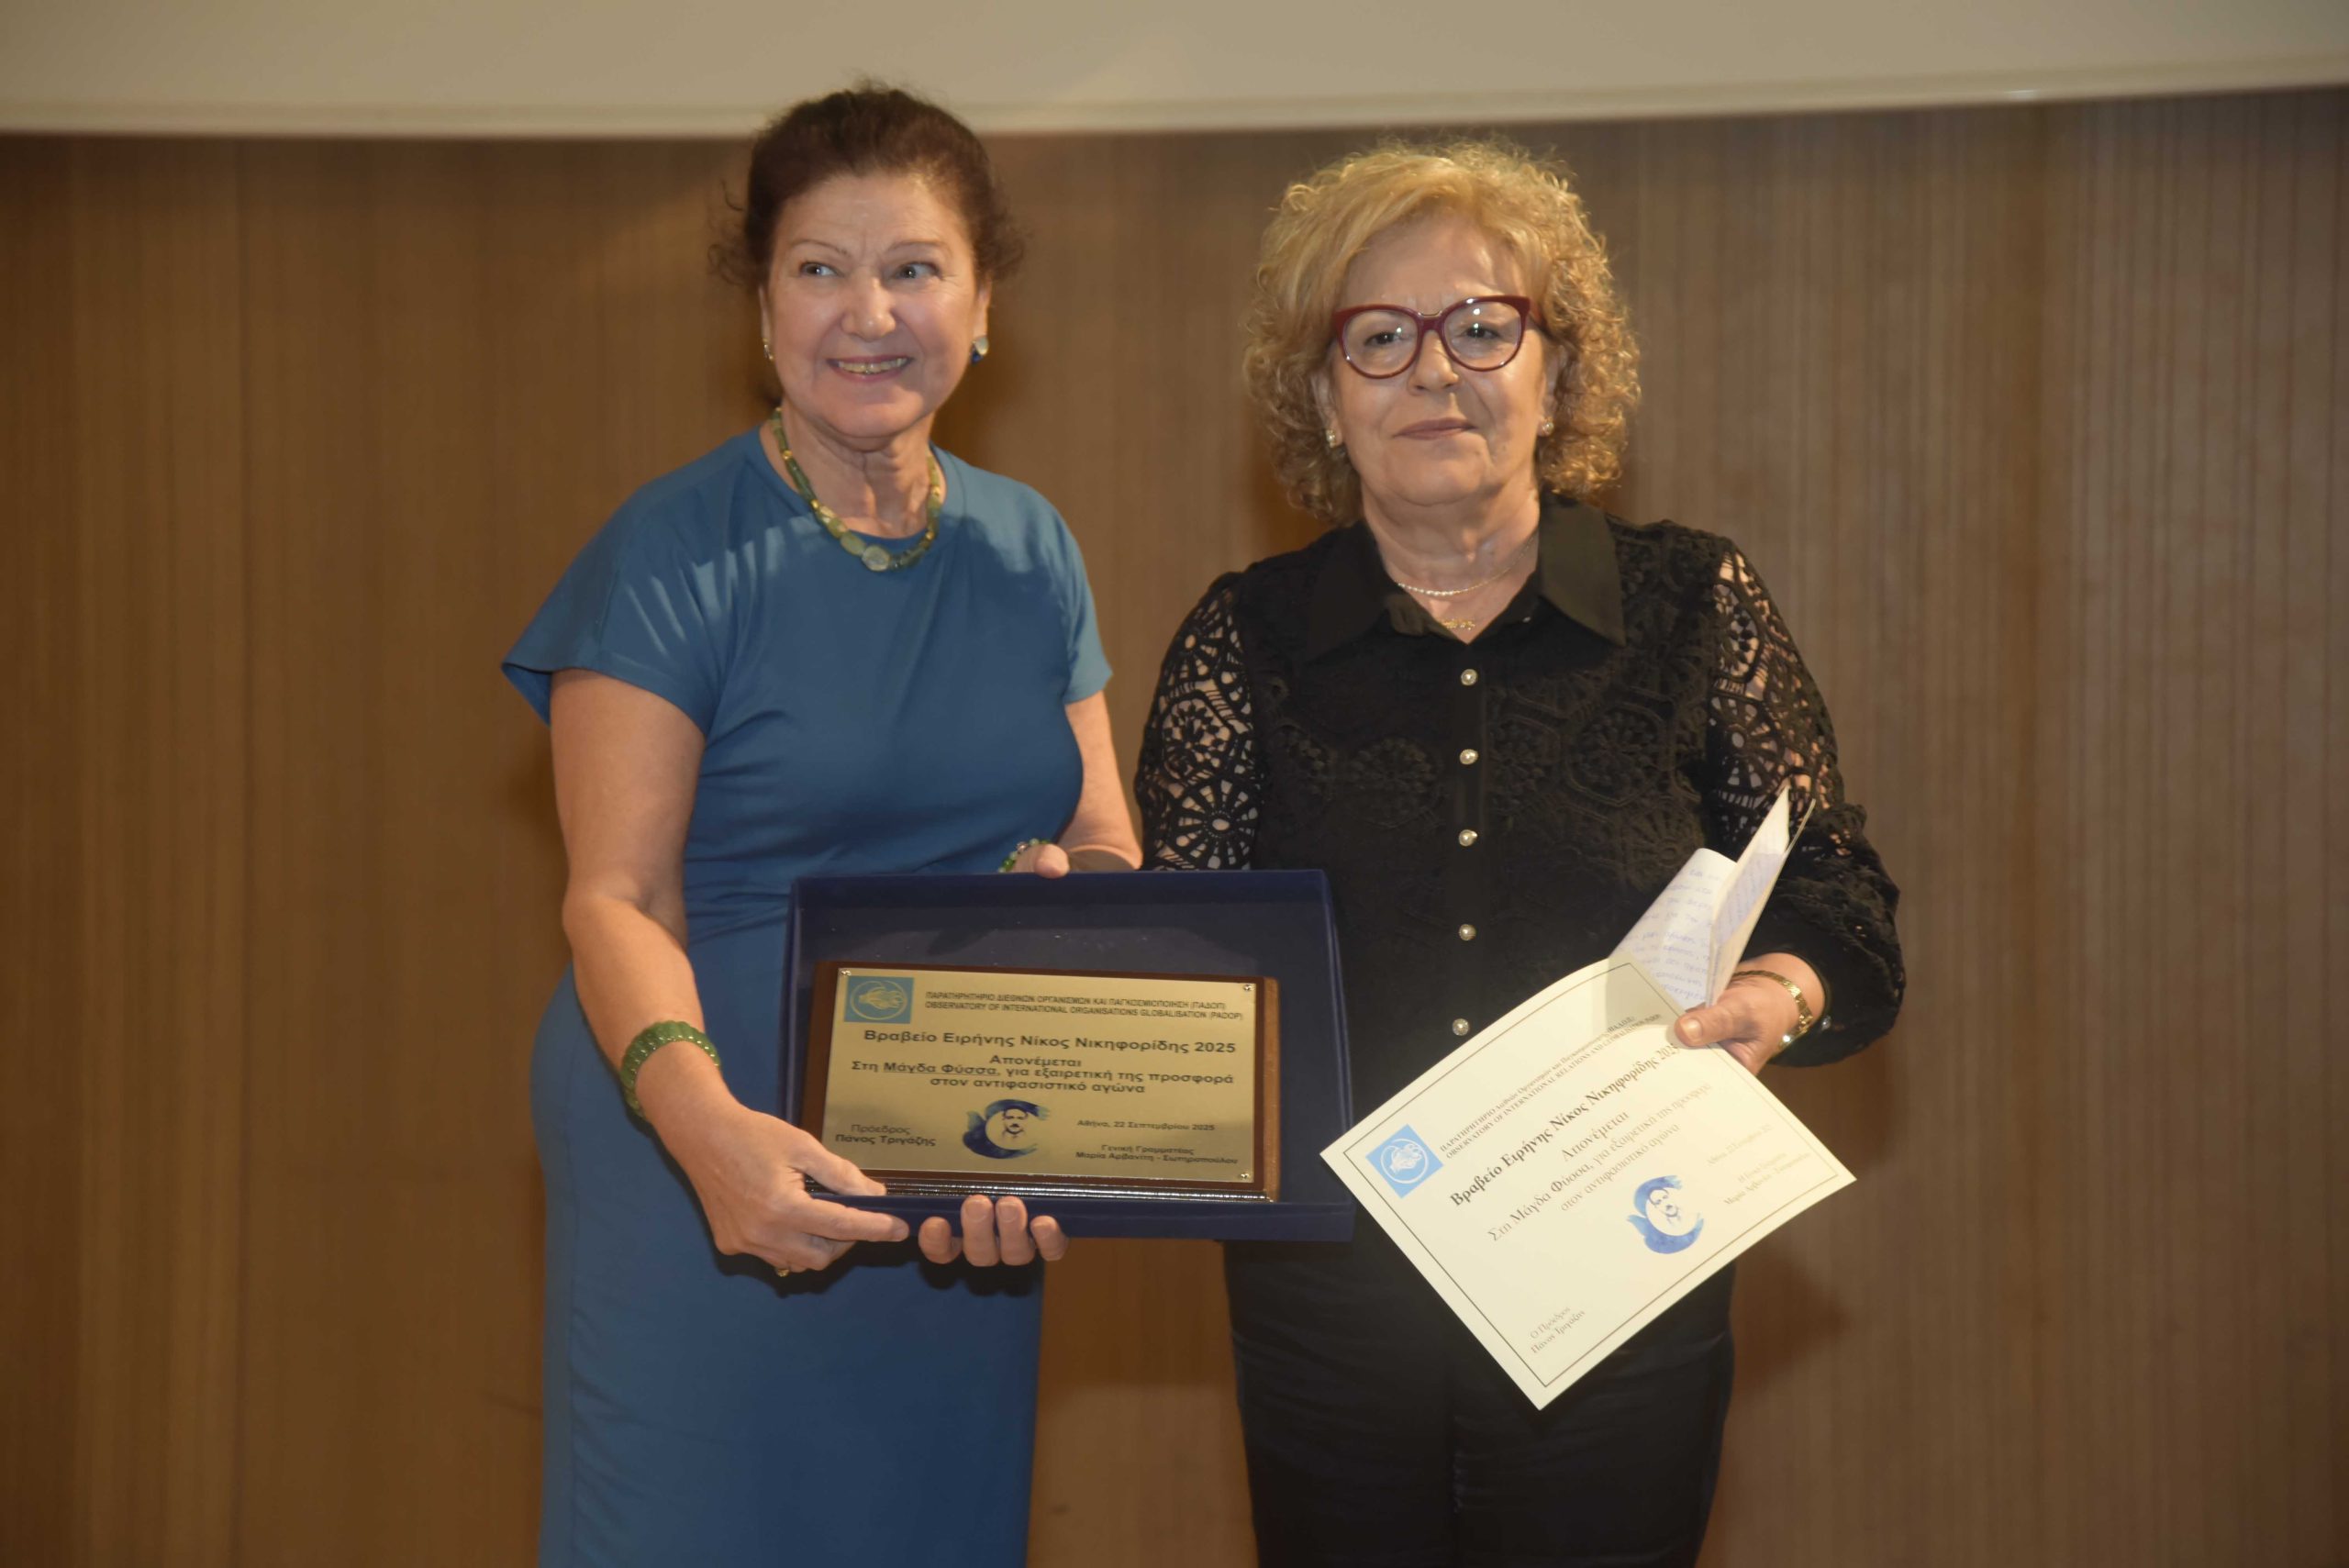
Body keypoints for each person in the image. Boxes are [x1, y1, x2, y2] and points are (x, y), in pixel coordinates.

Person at [1136, 139, 1904, 1567]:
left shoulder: (1692, 604)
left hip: (1626, 1292)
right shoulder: (1245, 641)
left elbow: (1840, 897)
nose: (1436, 370)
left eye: (1485, 326)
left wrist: (1779, 992)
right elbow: (1179, 973)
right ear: (1324, 395)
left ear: (1558, 371)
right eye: (1379, 337)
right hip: (1329, 1330)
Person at [503, 84, 1139, 1567]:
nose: (869, 312)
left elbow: (1105, 833)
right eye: (819, 268)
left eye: (914, 267)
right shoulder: (671, 549)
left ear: (983, 306)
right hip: (696, 1141)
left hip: (957, 1150)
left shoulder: (1032, 544)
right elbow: (615, 898)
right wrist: (706, 1133)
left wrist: (1073, 920)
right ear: (763, 305)